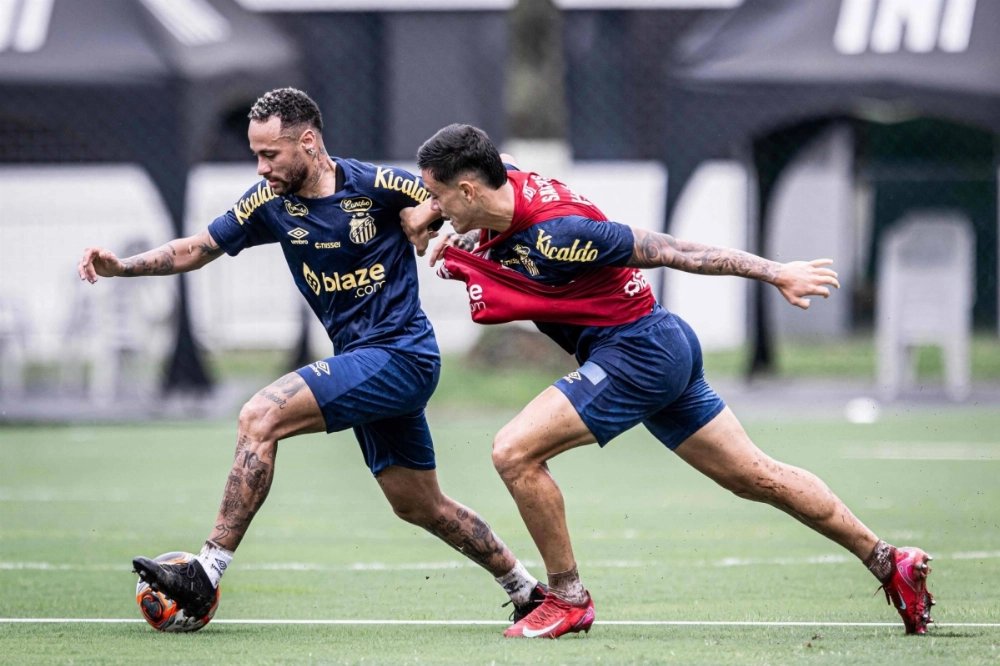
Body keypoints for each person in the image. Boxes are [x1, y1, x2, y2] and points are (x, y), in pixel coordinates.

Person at [402, 123, 935, 639]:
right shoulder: (504, 180)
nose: (435, 210)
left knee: (514, 452)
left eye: (439, 197)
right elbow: (484, 180)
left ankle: (566, 600)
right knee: (756, 476)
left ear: (469, 189)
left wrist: (775, 272)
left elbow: (675, 250)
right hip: (656, 344)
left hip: (638, 352)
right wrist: (426, 209)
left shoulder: (558, 234)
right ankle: (890, 561)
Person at [76, 90, 545, 625]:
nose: (261, 167)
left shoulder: (378, 185)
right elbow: (196, 248)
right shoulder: (267, 202)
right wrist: (122, 267)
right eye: (256, 155)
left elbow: (477, 184)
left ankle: (205, 572)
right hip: (361, 361)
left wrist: (432, 213)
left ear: (308, 141)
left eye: (270, 154)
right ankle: (526, 590)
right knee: (418, 504)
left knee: (261, 414)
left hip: (401, 355)